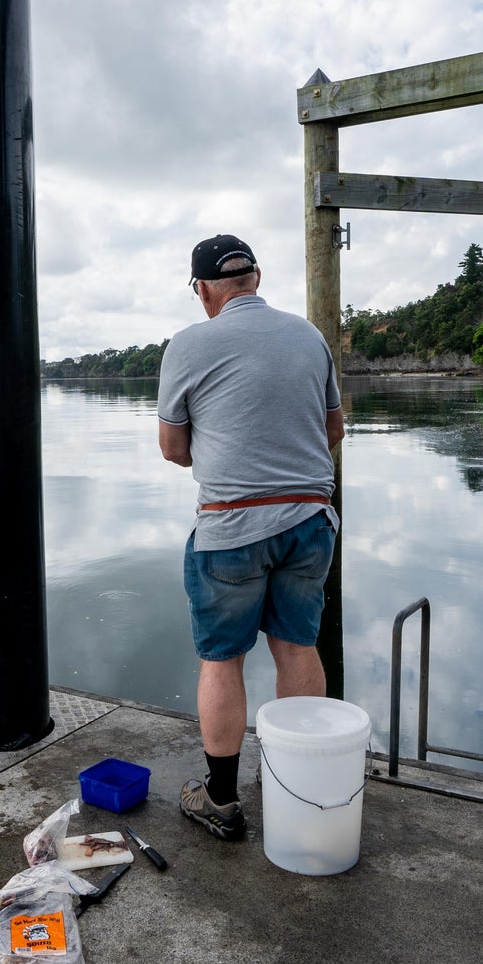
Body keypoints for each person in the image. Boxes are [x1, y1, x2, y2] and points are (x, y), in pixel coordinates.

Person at [156, 234, 344, 840]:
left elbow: (173, 448)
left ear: (203, 289)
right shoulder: (309, 335)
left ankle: (220, 800)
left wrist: (228, 456)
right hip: (311, 519)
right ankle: (301, 778)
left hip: (231, 526)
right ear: (256, 278)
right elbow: (334, 428)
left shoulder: (188, 344)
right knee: (297, 647)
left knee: (221, 659)